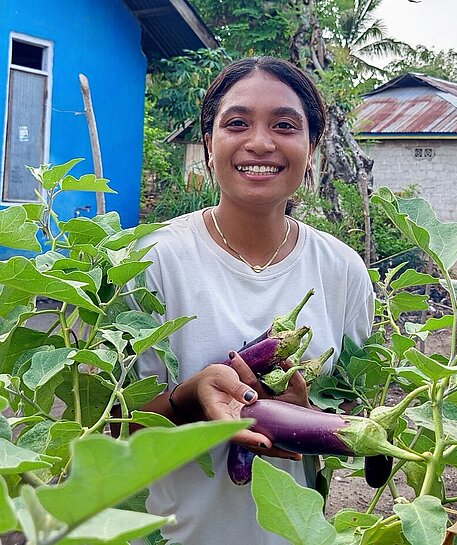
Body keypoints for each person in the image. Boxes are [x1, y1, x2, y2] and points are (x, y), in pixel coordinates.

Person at [135, 56, 375, 545]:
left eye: (285, 125)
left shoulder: (343, 269)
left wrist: (305, 417)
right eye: (237, 123)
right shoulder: (151, 260)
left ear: (312, 149)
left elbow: (353, 417)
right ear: (208, 145)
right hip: (168, 534)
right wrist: (189, 400)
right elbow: (112, 432)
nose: (261, 142)